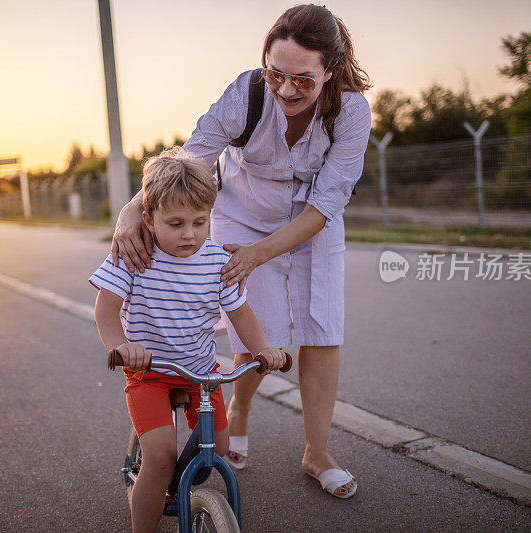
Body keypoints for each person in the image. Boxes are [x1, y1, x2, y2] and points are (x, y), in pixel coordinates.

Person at [111, 4, 371, 499]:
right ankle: (242, 409)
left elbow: (325, 207)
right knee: (260, 336)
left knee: (321, 330)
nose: (286, 89)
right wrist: (131, 212)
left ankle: (317, 452)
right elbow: (191, 157)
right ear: (264, 62)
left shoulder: (351, 111)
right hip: (243, 214)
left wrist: (258, 255)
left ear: (330, 73)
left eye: (303, 81)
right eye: (277, 73)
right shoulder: (248, 93)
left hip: (313, 223)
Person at [91, 148, 286, 533]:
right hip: (150, 373)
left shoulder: (216, 261)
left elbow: (240, 313)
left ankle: (187, 483)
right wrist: (121, 348)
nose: (190, 234)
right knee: (160, 459)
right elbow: (106, 310)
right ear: (148, 218)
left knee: (222, 448)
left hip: (200, 374)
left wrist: (263, 349)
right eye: (175, 223)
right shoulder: (135, 255)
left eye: (200, 222)